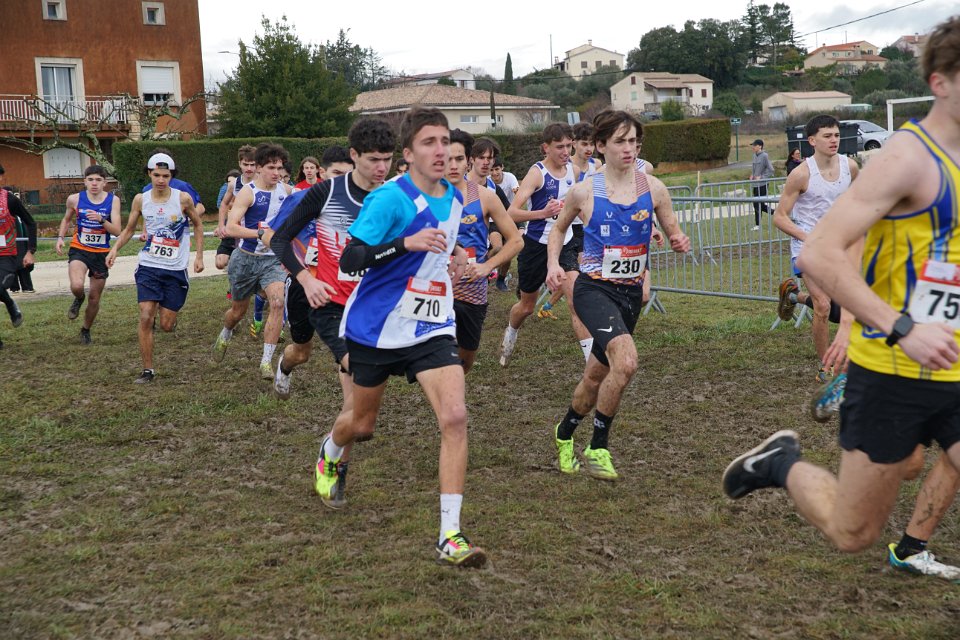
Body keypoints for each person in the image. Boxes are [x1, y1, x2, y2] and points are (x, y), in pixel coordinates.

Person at [723, 17, 960, 572]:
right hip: (894, 368)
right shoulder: (907, 159)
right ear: (940, 82)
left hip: (952, 362)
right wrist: (898, 327)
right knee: (853, 531)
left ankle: (913, 546)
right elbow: (821, 252)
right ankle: (780, 464)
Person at [315, 106, 486, 567]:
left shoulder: (455, 198)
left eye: (445, 141)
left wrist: (455, 257)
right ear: (408, 154)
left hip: (431, 325)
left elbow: (441, 244)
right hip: (376, 328)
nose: (441, 150)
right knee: (362, 426)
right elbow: (352, 259)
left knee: (455, 416)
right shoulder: (389, 198)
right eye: (429, 142)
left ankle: (450, 535)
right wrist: (404, 244)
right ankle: (331, 451)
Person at [546, 110, 690, 480]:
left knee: (595, 377)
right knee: (625, 362)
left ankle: (564, 432)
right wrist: (553, 265)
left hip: (629, 295)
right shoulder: (584, 191)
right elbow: (558, 230)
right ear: (600, 145)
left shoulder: (654, 188)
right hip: (594, 290)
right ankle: (598, 447)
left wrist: (677, 240)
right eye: (621, 141)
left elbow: (673, 230)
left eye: (634, 142)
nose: (630, 148)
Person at [773, 115, 860, 382]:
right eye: (827, 136)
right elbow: (779, 217)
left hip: (839, 247)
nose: (834, 140)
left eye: (836, 135)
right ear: (812, 141)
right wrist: (808, 237)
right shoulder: (801, 174)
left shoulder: (850, 167)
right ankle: (826, 366)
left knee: (843, 310)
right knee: (823, 306)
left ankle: (793, 296)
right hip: (807, 248)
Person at [499, 123, 593, 366]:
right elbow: (511, 213)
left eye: (568, 145)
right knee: (527, 307)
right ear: (546, 148)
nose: (565, 151)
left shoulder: (573, 170)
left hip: (565, 242)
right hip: (536, 245)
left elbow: (577, 206)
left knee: (577, 301)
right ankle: (511, 331)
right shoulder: (537, 173)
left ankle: (592, 363)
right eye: (559, 147)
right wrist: (543, 213)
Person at [107, 153, 204, 382]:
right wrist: (115, 249)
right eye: (157, 175)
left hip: (175, 268)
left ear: (171, 176)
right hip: (149, 265)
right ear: (149, 174)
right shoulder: (141, 200)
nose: (161, 180)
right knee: (145, 316)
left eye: (166, 176)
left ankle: (167, 313)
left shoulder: (183, 199)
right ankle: (148, 370)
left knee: (166, 325)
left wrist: (199, 256)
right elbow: (129, 229)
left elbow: (198, 225)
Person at [213, 143, 294, 380]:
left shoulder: (287, 191)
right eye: (271, 168)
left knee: (277, 302)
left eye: (279, 168)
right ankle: (226, 331)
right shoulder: (248, 192)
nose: (276, 173)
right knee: (238, 311)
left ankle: (266, 362)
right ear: (259, 168)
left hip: (273, 261)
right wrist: (260, 234)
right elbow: (231, 227)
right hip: (245, 260)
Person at [446, 129, 522, 372]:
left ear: (467, 160)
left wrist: (487, 266)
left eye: (459, 158)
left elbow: (516, 240)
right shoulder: (421, 196)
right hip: (434, 290)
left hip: (471, 290)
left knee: (464, 362)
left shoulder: (486, 196)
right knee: (438, 359)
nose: (453, 165)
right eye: (447, 158)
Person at [539, 122, 602, 320]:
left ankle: (552, 304)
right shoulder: (567, 165)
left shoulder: (596, 165)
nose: (589, 148)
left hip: (584, 226)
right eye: (584, 144)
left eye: (592, 144)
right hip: (566, 227)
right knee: (574, 272)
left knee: (579, 272)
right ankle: (550, 301)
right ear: (575, 144)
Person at [55, 165, 122, 344]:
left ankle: (85, 329)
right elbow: (66, 219)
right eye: (90, 180)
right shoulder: (74, 199)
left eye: (98, 180)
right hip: (80, 248)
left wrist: (101, 219)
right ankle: (79, 297)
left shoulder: (113, 200)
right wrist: (60, 238)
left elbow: (117, 231)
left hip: (101, 253)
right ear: (84, 181)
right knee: (77, 285)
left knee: (94, 298)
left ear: (105, 183)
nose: (94, 183)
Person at [0, 162, 35, 349]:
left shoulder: (9, 200)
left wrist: (30, 251)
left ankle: (10, 304)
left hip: (6, 255)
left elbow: (30, 222)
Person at [215, 145, 257, 271]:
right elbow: (224, 204)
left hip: (254, 228)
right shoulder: (234, 184)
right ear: (239, 163)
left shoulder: (263, 182)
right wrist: (221, 225)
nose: (249, 168)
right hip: (236, 227)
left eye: (252, 165)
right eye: (245, 164)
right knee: (221, 263)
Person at [489, 157, 521, 292]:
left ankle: (501, 279)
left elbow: (517, 192)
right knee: (498, 248)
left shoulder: (510, 178)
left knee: (509, 251)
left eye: (497, 169)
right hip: (493, 221)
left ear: (502, 167)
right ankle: (487, 267)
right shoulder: (487, 183)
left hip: (509, 218)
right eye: (491, 170)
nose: (494, 173)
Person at [749, 138, 774, 230]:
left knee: (759, 204)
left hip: (763, 184)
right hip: (755, 184)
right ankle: (775, 213)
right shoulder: (754, 156)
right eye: (753, 145)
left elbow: (771, 170)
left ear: (760, 146)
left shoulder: (764, 156)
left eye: (755, 145)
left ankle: (758, 224)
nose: (753, 147)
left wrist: (762, 177)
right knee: (757, 204)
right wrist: (752, 175)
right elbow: (754, 168)